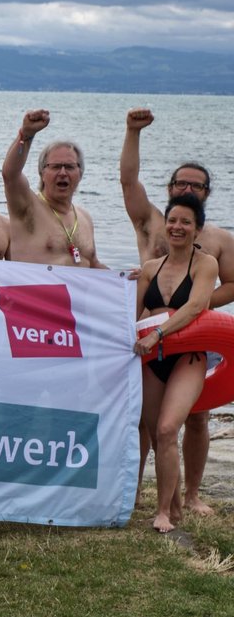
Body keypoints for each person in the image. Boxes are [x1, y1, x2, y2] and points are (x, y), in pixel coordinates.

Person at [120, 107, 234, 515]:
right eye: (181, 182)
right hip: (149, 345)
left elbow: (232, 285)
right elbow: (129, 181)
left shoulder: (217, 239)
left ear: (207, 192)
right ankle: (132, 494)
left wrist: (191, 311)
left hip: (192, 340)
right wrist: (133, 132)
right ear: (169, 187)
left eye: (196, 184)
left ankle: (190, 496)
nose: (188, 187)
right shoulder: (154, 224)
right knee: (144, 426)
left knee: (197, 420)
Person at [133, 194, 218, 533]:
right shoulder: (150, 268)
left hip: (189, 357)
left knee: (169, 429)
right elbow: (132, 313)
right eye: (172, 220)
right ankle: (177, 509)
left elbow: (196, 307)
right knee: (157, 435)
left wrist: (158, 334)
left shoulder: (205, 264)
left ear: (197, 230)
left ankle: (163, 512)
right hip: (155, 360)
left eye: (185, 222)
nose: (177, 227)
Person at [2, 110, 105, 268]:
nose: (62, 173)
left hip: (77, 292)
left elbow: (94, 264)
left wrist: (126, 279)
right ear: (42, 173)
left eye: (69, 167)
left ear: (80, 173)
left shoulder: (85, 218)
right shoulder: (28, 208)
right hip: (35, 291)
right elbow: (10, 175)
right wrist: (26, 135)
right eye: (56, 167)